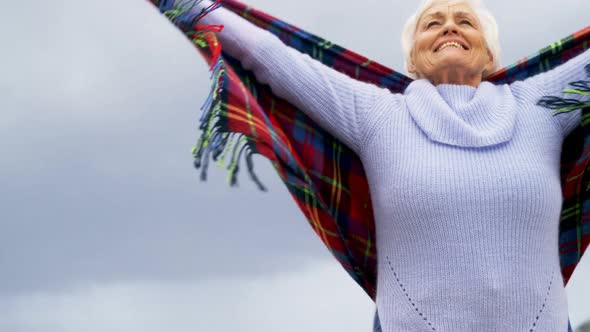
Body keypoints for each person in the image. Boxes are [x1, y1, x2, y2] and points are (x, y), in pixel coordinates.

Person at [194, 0, 590, 330]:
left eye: (465, 22)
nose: (449, 27)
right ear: (413, 60)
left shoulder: (539, 105)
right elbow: (272, 57)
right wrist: (191, 7)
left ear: (489, 55)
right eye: (432, 24)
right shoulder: (379, 115)